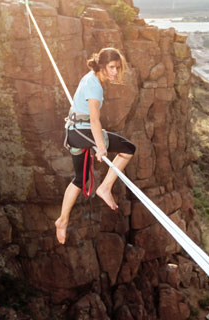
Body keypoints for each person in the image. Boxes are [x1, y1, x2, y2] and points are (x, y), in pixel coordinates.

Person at [55, 48, 136, 244]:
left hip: (74, 132)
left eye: (117, 68)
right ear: (102, 66)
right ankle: (105, 188)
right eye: (111, 67)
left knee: (80, 179)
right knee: (128, 149)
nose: (115, 72)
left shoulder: (90, 77)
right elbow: (94, 121)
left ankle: (62, 220)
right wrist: (101, 147)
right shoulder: (95, 88)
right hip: (83, 132)